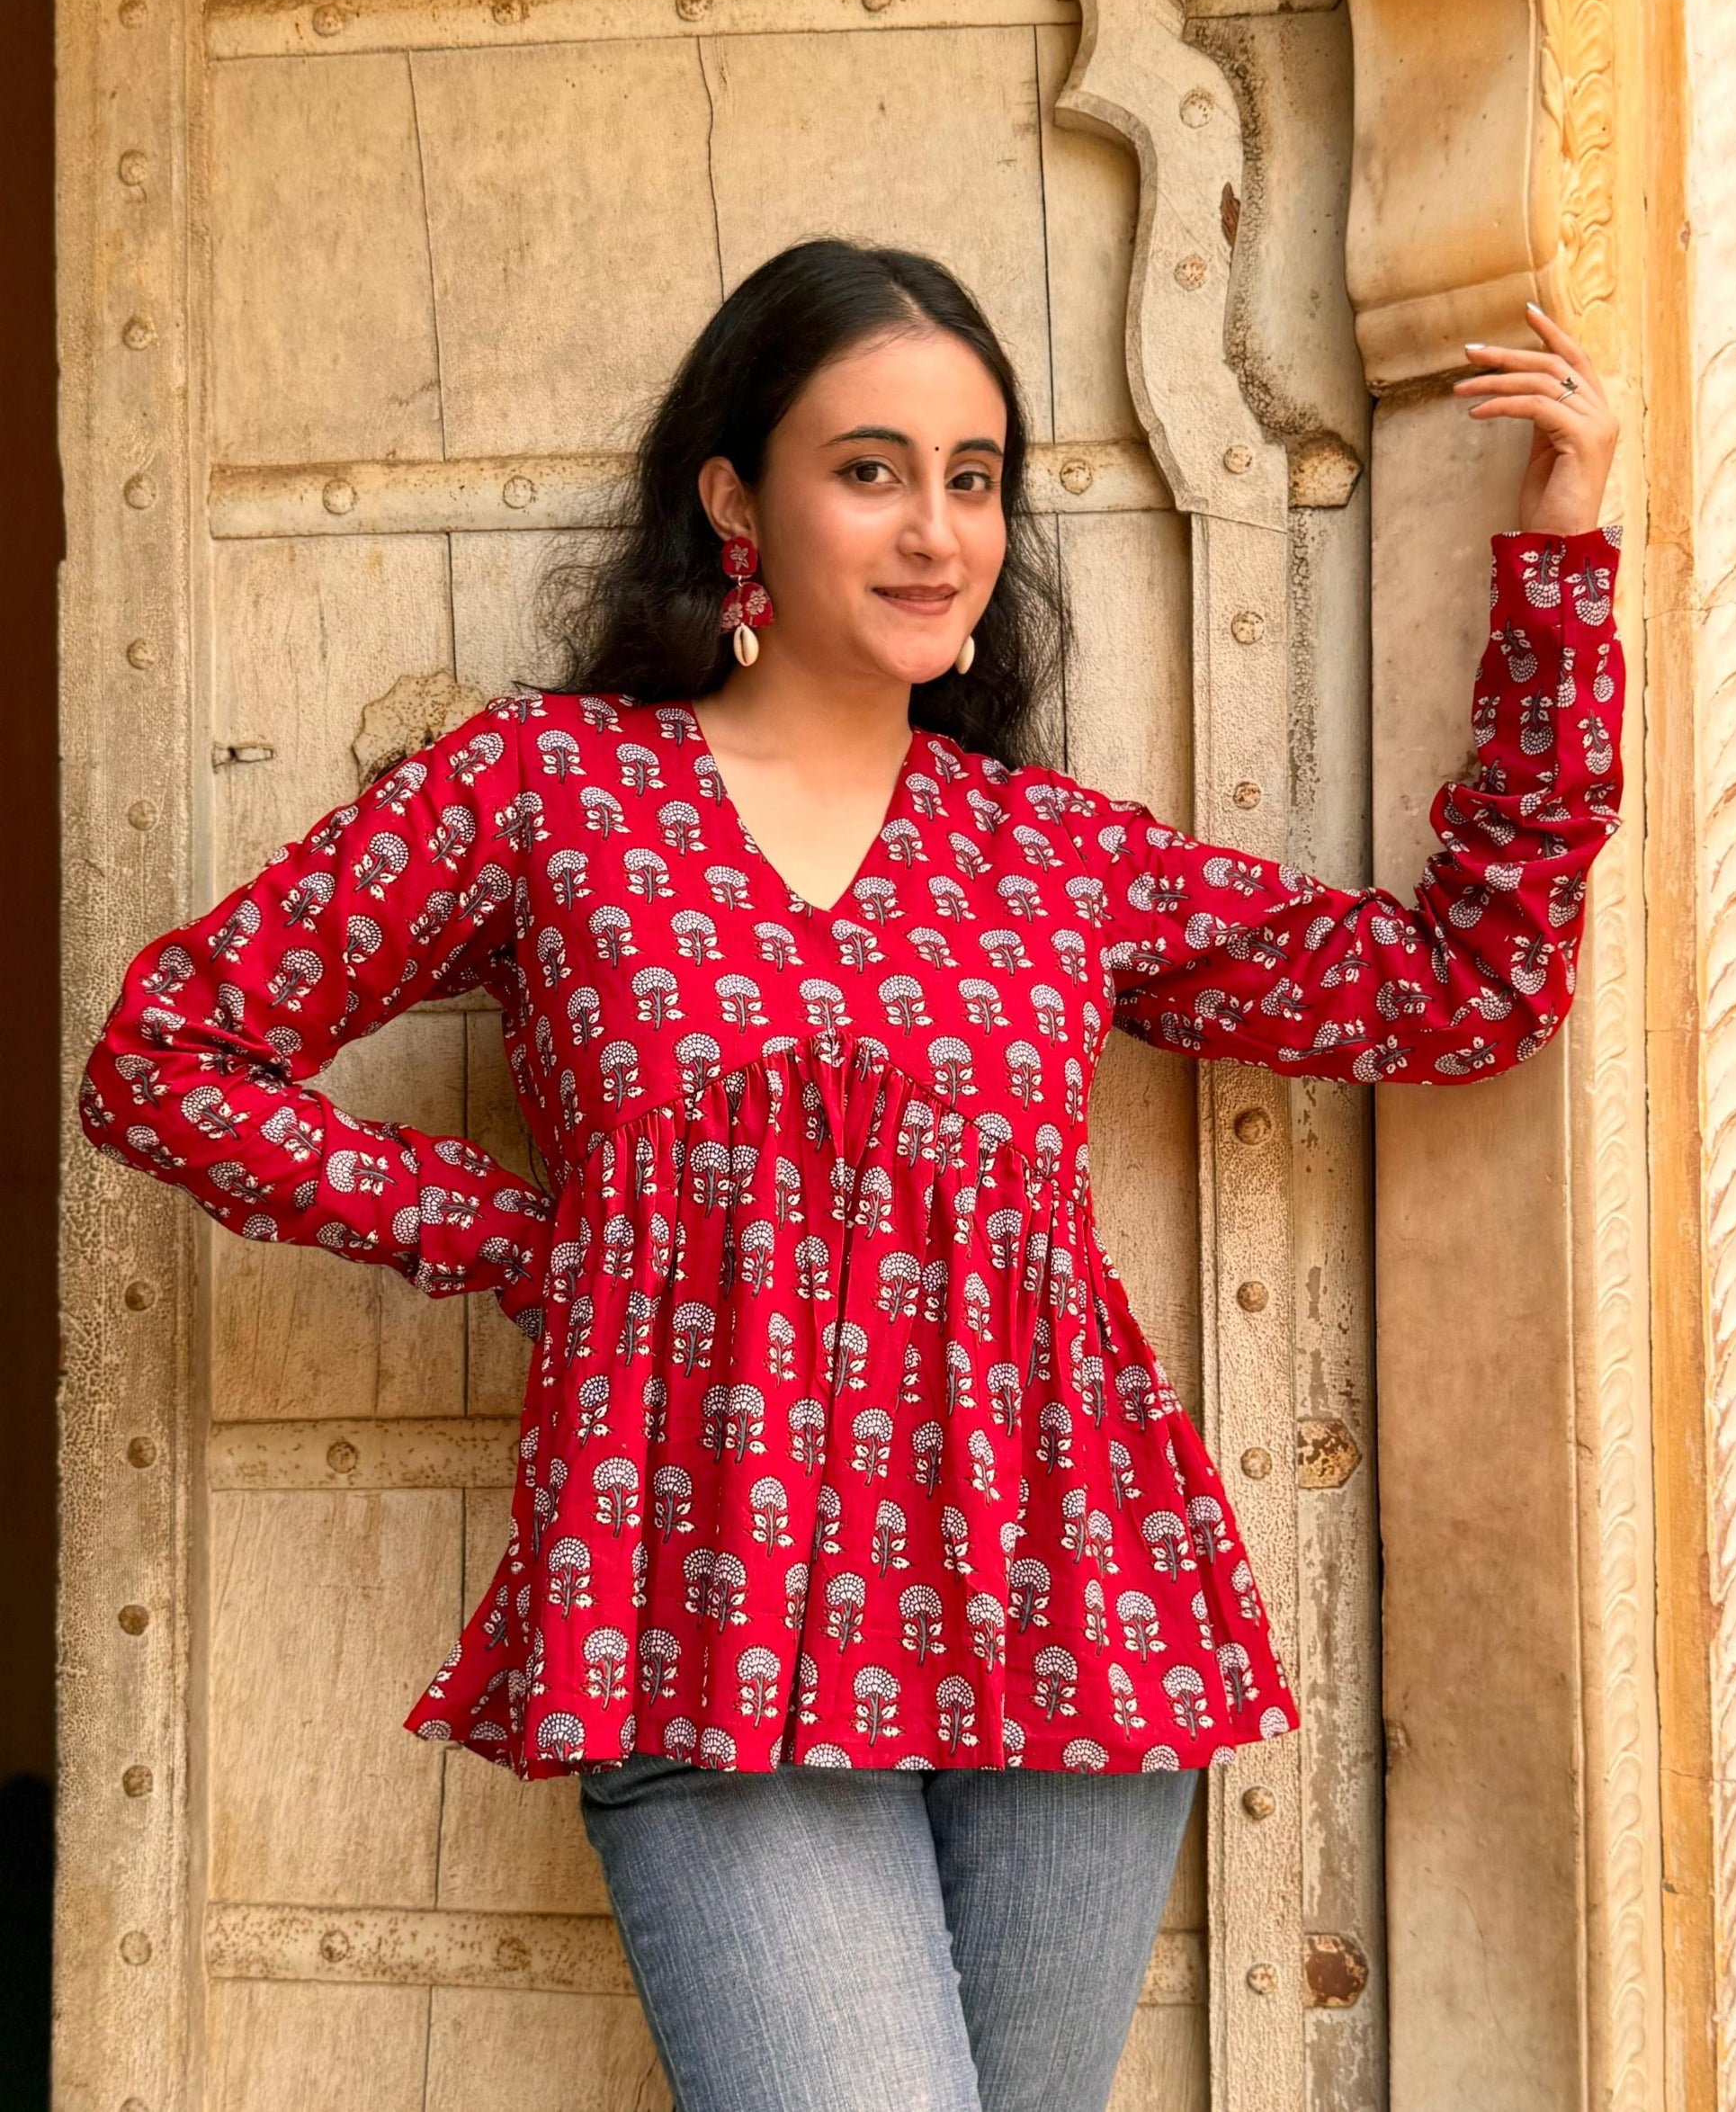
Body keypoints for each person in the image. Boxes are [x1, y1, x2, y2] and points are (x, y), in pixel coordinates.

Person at [77, 239, 1624, 2111]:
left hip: (1072, 1612)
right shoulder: (546, 790)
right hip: (707, 1618)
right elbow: (168, 1053)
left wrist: (1559, 556)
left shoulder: (1043, 852)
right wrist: (535, 1242)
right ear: (735, 500)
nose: (933, 530)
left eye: (972, 478)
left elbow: (1462, 988)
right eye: (868, 469)